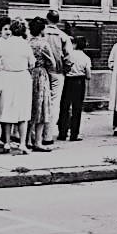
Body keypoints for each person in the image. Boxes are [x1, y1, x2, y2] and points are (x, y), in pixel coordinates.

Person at [0, 19, 35, 154]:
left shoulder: (3, 44)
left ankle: (6, 142)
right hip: (22, 77)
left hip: (7, 77)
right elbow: (32, 63)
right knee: (22, 111)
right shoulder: (25, 45)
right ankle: (22, 143)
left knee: (7, 110)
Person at [41, 10, 73, 145]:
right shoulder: (63, 36)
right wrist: (65, 69)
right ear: (58, 21)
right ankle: (48, 135)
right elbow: (69, 57)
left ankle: (36, 133)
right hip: (57, 71)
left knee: (40, 100)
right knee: (54, 104)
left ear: (46, 19)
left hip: (42, 70)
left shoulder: (41, 34)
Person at [27, 17, 54, 152]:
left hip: (27, 75)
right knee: (41, 108)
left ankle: (27, 139)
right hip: (40, 75)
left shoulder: (26, 43)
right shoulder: (43, 44)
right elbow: (52, 63)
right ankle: (38, 140)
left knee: (29, 107)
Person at [58, 37, 92, 141]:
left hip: (68, 81)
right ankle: (74, 134)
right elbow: (88, 75)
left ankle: (62, 133)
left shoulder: (69, 56)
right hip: (79, 82)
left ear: (75, 44)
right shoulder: (86, 58)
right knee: (77, 108)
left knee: (65, 107)